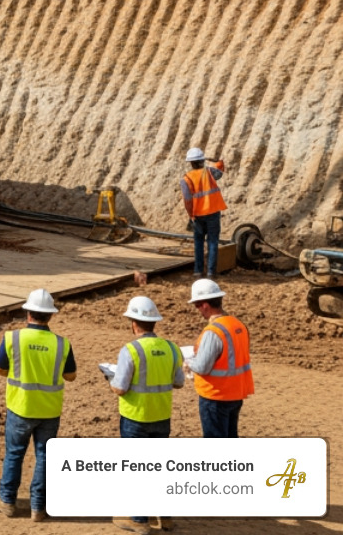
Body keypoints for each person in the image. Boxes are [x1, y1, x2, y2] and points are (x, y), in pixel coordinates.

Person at [0, 288, 75, 522]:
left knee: (14, 454)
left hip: (20, 407)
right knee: (45, 456)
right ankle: (38, 507)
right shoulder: (62, 344)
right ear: (50, 315)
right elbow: (71, 376)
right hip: (49, 409)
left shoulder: (13, 338)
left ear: (28, 313)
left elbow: (0, 369)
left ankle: (7, 501)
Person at [108, 296, 184, 535]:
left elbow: (120, 388)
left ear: (134, 322)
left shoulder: (130, 350)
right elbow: (179, 382)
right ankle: (166, 517)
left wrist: (110, 379)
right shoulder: (171, 348)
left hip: (135, 417)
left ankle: (139, 520)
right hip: (162, 416)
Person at [185, 278, 253, 438]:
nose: (198, 310)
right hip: (236, 393)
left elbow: (202, 367)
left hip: (215, 396)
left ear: (205, 305)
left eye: (197, 306)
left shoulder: (213, 331)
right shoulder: (238, 324)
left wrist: (188, 362)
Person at [181, 148, 227, 277]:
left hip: (197, 214)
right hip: (212, 212)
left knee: (199, 243)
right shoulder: (210, 172)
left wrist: (191, 215)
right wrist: (218, 161)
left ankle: (198, 271)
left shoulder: (186, 179)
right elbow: (220, 172)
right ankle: (211, 272)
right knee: (212, 242)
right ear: (202, 161)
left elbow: (187, 200)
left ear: (190, 163)